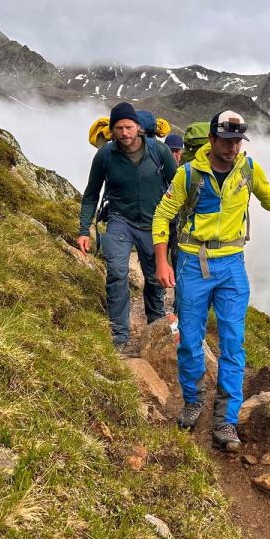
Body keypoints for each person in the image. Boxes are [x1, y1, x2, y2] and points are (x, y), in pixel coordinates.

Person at [153, 110, 270, 451]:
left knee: (233, 344)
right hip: (193, 263)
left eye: (238, 141)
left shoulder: (248, 170)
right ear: (212, 140)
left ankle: (226, 420)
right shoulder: (188, 174)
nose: (234, 147)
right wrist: (163, 261)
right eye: (227, 141)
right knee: (190, 340)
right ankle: (193, 400)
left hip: (233, 264)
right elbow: (163, 215)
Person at [79, 102, 177, 352]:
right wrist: (83, 230)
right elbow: (91, 194)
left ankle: (155, 325)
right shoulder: (105, 156)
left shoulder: (159, 151)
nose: (125, 133)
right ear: (112, 130)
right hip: (119, 220)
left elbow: (177, 187)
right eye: (119, 128)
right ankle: (119, 336)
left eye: (129, 127)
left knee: (155, 278)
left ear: (139, 128)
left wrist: (178, 223)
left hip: (154, 222)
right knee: (117, 273)